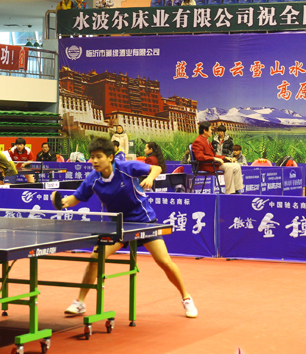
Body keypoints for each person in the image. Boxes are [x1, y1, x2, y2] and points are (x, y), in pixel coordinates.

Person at [59, 138, 197, 318]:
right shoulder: (93, 179)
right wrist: (64, 202)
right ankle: (80, 302)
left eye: (99, 157)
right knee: (96, 257)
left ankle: (186, 297)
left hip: (144, 221)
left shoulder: (126, 167)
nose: (94, 161)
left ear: (110, 157)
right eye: (92, 157)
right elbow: (76, 198)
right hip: (118, 226)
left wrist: (150, 178)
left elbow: (156, 168)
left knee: (164, 262)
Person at [192, 121, 244, 194]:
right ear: (205, 131)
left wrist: (225, 158)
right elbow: (200, 157)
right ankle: (229, 192)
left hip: (212, 163)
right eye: (210, 129)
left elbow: (213, 154)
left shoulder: (207, 140)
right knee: (229, 167)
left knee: (236, 166)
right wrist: (214, 159)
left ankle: (236, 190)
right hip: (206, 165)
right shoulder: (198, 141)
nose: (211, 131)